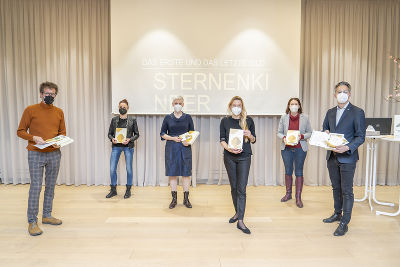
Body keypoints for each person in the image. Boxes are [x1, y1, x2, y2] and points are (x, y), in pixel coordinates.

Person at [17, 82, 66, 236]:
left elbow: (62, 132)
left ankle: (47, 215)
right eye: (46, 93)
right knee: (36, 187)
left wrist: (60, 139)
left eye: (52, 94)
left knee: (50, 186)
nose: (49, 96)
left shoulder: (59, 112)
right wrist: (33, 138)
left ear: (55, 95)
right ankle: (32, 221)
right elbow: (20, 131)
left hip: (54, 153)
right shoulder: (30, 110)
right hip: (35, 152)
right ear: (40, 94)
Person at [322, 81, 365, 236]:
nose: (342, 94)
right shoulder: (330, 112)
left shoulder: (357, 112)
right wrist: (325, 132)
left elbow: (361, 136)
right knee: (336, 188)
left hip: (347, 157)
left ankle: (344, 222)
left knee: (347, 191)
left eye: (345, 91)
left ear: (350, 94)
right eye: (339, 92)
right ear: (335, 95)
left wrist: (348, 147)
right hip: (332, 156)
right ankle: (337, 213)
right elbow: (324, 128)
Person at [220, 96, 256, 234]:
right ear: (230, 106)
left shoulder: (249, 121)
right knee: (234, 187)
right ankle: (237, 212)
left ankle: (240, 220)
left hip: (244, 157)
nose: (236, 107)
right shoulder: (224, 121)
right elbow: (222, 139)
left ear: (242, 107)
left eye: (239, 105)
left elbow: (254, 140)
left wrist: (250, 135)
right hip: (229, 157)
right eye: (234, 105)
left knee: (241, 188)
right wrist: (229, 148)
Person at [160, 96, 195, 209]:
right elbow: (162, 133)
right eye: (176, 103)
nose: (178, 104)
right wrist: (172, 138)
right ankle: (174, 199)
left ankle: (186, 199)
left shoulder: (188, 117)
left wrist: (188, 142)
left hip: (185, 148)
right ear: (172, 104)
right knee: (172, 173)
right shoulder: (167, 118)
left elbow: (192, 133)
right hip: (171, 147)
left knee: (186, 173)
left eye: (180, 103)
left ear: (183, 104)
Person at [277, 98, 312, 208]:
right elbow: (279, 132)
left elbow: (309, 132)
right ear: (288, 106)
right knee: (288, 171)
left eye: (296, 104)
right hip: (287, 148)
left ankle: (298, 197)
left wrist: (301, 136)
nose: (294, 105)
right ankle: (288, 194)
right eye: (292, 104)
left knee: (299, 171)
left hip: (300, 148)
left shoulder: (305, 118)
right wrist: (283, 137)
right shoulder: (284, 117)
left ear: (299, 106)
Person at [107, 99, 139, 199]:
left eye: (124, 107)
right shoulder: (114, 120)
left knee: (129, 169)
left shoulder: (132, 120)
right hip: (116, 147)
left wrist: (129, 139)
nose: (122, 109)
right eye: (121, 107)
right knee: (112, 169)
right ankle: (113, 190)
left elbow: (137, 134)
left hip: (128, 147)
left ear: (127, 108)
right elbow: (109, 134)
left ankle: (128, 190)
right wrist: (112, 139)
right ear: (118, 108)